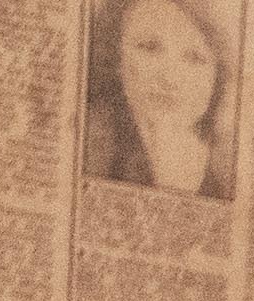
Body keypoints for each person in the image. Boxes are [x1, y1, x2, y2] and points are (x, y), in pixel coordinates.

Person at [87, 0, 233, 201]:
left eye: (194, 58)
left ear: (216, 78)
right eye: (149, 47)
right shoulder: (92, 145)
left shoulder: (224, 164)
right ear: (115, 58)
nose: (170, 79)